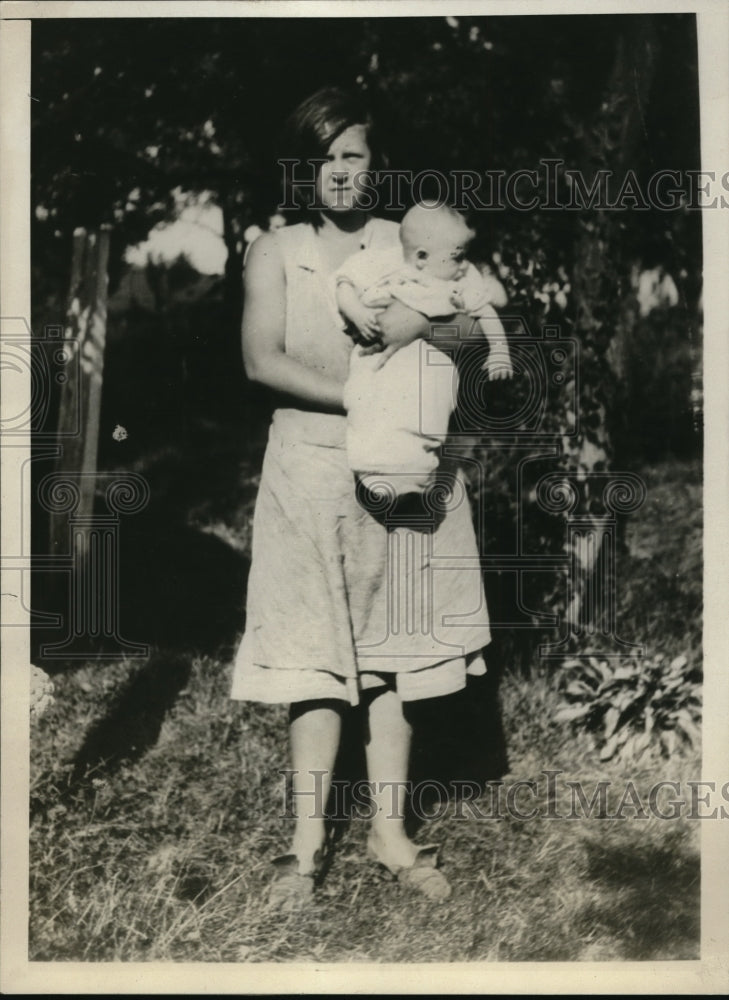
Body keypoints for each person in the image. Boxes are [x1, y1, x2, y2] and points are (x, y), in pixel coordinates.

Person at [230, 87, 492, 910]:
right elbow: (261, 360)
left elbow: (473, 323)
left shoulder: (411, 240)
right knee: (315, 657)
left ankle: (389, 832)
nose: (338, 173)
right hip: (307, 469)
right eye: (323, 158)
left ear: (375, 165)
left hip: (404, 465)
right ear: (300, 169)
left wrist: (421, 353)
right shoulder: (276, 250)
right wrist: (362, 396)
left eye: (352, 156)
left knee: (392, 655)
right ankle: (305, 850)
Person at [336, 201, 512, 498]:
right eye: (457, 258)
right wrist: (356, 312)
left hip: (428, 364)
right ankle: (369, 462)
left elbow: (489, 310)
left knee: (436, 390)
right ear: (421, 257)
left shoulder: (454, 284)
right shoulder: (389, 266)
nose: (465, 265)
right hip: (381, 359)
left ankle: (420, 466)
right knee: (367, 388)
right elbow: (344, 282)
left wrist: (499, 351)